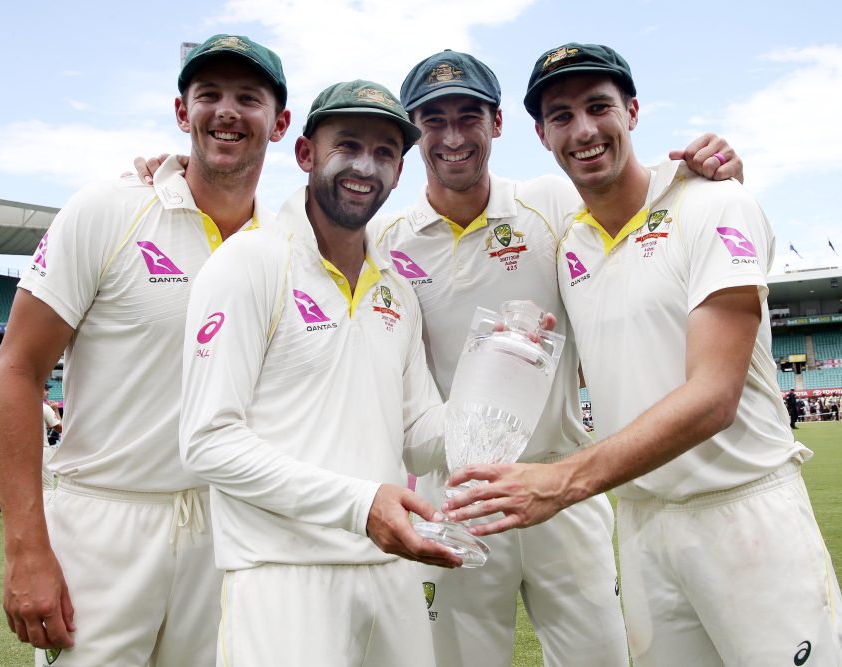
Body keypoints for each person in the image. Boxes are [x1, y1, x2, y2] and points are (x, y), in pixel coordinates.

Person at [444, 43, 842, 666]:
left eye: (598, 106)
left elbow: (713, 397)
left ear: (631, 111)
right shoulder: (570, 240)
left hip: (742, 512)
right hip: (643, 522)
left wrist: (562, 481)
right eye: (560, 116)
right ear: (541, 134)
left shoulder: (714, 203)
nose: (583, 130)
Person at [370, 49, 744, 667]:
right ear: (414, 133)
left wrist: (719, 169)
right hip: (455, 493)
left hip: (562, 486)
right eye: (434, 121)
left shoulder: (551, 201)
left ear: (497, 123)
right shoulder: (386, 239)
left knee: (601, 657)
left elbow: (650, 203)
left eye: (470, 116)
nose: (454, 137)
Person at [0, 34, 291, 666]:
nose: (227, 112)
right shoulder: (108, 210)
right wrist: (25, 548)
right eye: (208, 95)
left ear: (280, 123)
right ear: (182, 114)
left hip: (227, 529)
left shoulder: (289, 246)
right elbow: (18, 369)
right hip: (104, 523)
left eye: (248, 98)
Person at [180, 79, 461, 667]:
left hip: (391, 573)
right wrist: (359, 504)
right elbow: (207, 443)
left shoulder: (396, 289)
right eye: (348, 145)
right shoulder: (250, 262)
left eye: (386, 153)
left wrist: (503, 378)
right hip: (284, 577)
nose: (366, 166)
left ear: (400, 170)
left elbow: (420, 439)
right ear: (306, 154)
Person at [41, 383, 62, 490]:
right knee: (47, 488)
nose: (48, 392)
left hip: (21, 452)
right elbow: (61, 428)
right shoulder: (45, 407)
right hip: (41, 451)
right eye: (45, 389)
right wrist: (56, 410)